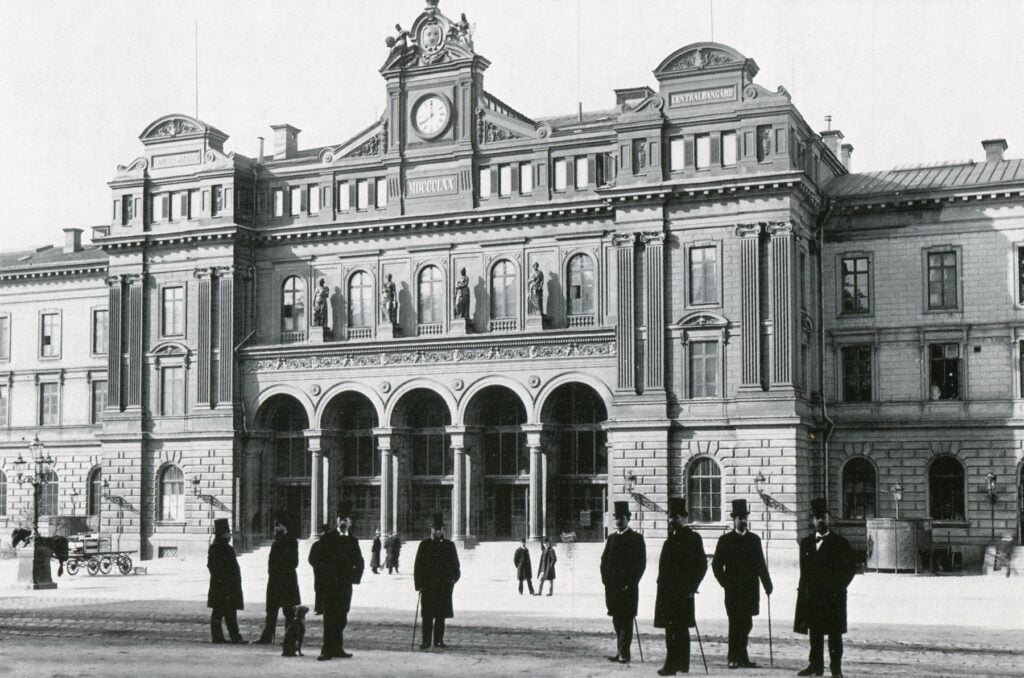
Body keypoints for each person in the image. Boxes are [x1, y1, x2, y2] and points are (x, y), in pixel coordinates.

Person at [795, 498, 857, 678]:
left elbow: (850, 569)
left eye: (823, 517)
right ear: (812, 520)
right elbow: (804, 572)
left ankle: (836, 670)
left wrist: (838, 587)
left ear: (828, 518)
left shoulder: (840, 543)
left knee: (834, 636)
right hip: (813, 598)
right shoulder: (805, 544)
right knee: (815, 634)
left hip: (833, 598)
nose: (820, 520)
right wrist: (803, 594)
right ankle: (815, 666)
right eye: (816, 517)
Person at [712, 498, 773, 669]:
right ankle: (733, 657)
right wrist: (725, 583)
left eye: (745, 517)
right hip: (733, 590)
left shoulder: (754, 540)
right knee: (735, 623)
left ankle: (743, 657)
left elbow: (761, 564)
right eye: (739, 518)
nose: (743, 521)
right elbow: (716, 565)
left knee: (747, 623)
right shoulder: (725, 540)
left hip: (750, 589)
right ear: (734, 520)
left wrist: (767, 584)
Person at [654, 498, 708, 676]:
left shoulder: (693, 538)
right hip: (667, 594)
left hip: (683, 593)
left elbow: (701, 565)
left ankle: (675, 664)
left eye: (675, 517)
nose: (671, 520)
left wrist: (692, 587)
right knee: (672, 629)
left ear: (684, 518)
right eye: (670, 517)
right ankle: (679, 664)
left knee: (680, 629)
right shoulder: (670, 539)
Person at [313, 503, 365, 661]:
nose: (343, 522)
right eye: (341, 519)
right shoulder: (327, 538)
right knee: (329, 617)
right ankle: (326, 649)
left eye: (346, 520)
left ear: (350, 523)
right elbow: (314, 559)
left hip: (345, 586)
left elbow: (360, 561)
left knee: (342, 617)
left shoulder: (353, 541)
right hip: (330, 586)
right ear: (337, 521)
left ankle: (337, 647)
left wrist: (355, 578)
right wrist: (324, 574)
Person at [600, 500, 646, 664]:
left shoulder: (636, 539)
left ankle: (624, 653)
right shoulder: (611, 539)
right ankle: (620, 650)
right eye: (616, 518)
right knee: (616, 619)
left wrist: (630, 583)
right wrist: (605, 580)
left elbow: (640, 564)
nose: (619, 521)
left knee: (626, 620)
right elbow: (604, 561)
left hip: (628, 588)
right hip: (612, 589)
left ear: (628, 518)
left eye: (622, 518)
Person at [414, 512, 461, 649]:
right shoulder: (424, 545)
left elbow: (456, 565)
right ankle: (426, 640)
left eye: (439, 530)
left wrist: (452, 580)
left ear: (443, 531)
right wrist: (419, 585)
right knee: (427, 616)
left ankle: (438, 640)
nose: (437, 532)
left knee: (441, 616)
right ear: (431, 530)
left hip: (443, 586)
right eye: (435, 529)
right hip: (428, 586)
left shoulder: (449, 545)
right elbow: (418, 566)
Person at [255, 515, 301, 645]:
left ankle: (290, 637)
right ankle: (267, 637)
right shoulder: (277, 540)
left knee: (289, 611)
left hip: (286, 581)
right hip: (275, 581)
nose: (275, 528)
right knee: (271, 611)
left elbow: (293, 562)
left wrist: (280, 572)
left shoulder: (291, 541)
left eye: (277, 525)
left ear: (284, 526)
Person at [207, 518, 247, 644]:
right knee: (225, 612)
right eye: (227, 533)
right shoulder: (221, 548)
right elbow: (214, 567)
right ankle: (230, 637)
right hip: (225, 586)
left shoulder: (218, 547)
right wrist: (225, 580)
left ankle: (221, 637)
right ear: (222, 534)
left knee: (224, 612)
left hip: (222, 586)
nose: (229, 535)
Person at [308, 524, 330, 615]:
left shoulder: (331, 546)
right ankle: (320, 608)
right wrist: (317, 566)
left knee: (322, 590)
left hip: (323, 571)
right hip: (321, 571)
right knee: (321, 590)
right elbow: (311, 559)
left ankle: (321, 608)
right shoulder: (316, 545)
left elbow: (310, 559)